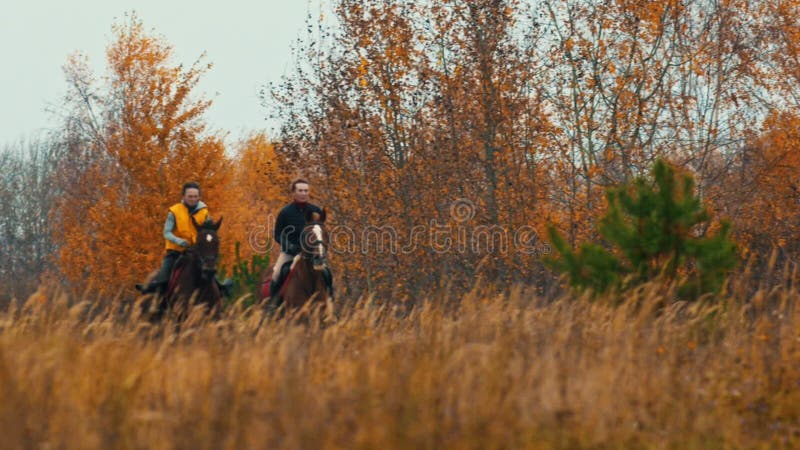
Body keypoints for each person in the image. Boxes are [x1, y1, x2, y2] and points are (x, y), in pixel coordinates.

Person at [136, 182, 232, 296]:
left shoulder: (204, 212)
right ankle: (156, 295)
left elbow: (208, 231)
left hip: (197, 252)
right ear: (183, 197)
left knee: (209, 268)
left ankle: (221, 287)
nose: (193, 199)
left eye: (196, 196)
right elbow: (166, 232)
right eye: (190, 196)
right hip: (176, 252)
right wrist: (179, 241)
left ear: (199, 197)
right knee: (164, 278)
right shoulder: (174, 211)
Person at [268, 178, 324, 299]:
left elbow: (321, 232)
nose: (304, 193)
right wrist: (290, 247)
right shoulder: (285, 212)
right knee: (277, 274)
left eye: (306, 191)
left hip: (312, 253)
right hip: (290, 253)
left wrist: (319, 248)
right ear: (293, 193)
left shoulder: (316, 211)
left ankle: (330, 301)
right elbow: (277, 234)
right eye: (300, 190)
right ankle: (273, 305)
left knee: (326, 273)